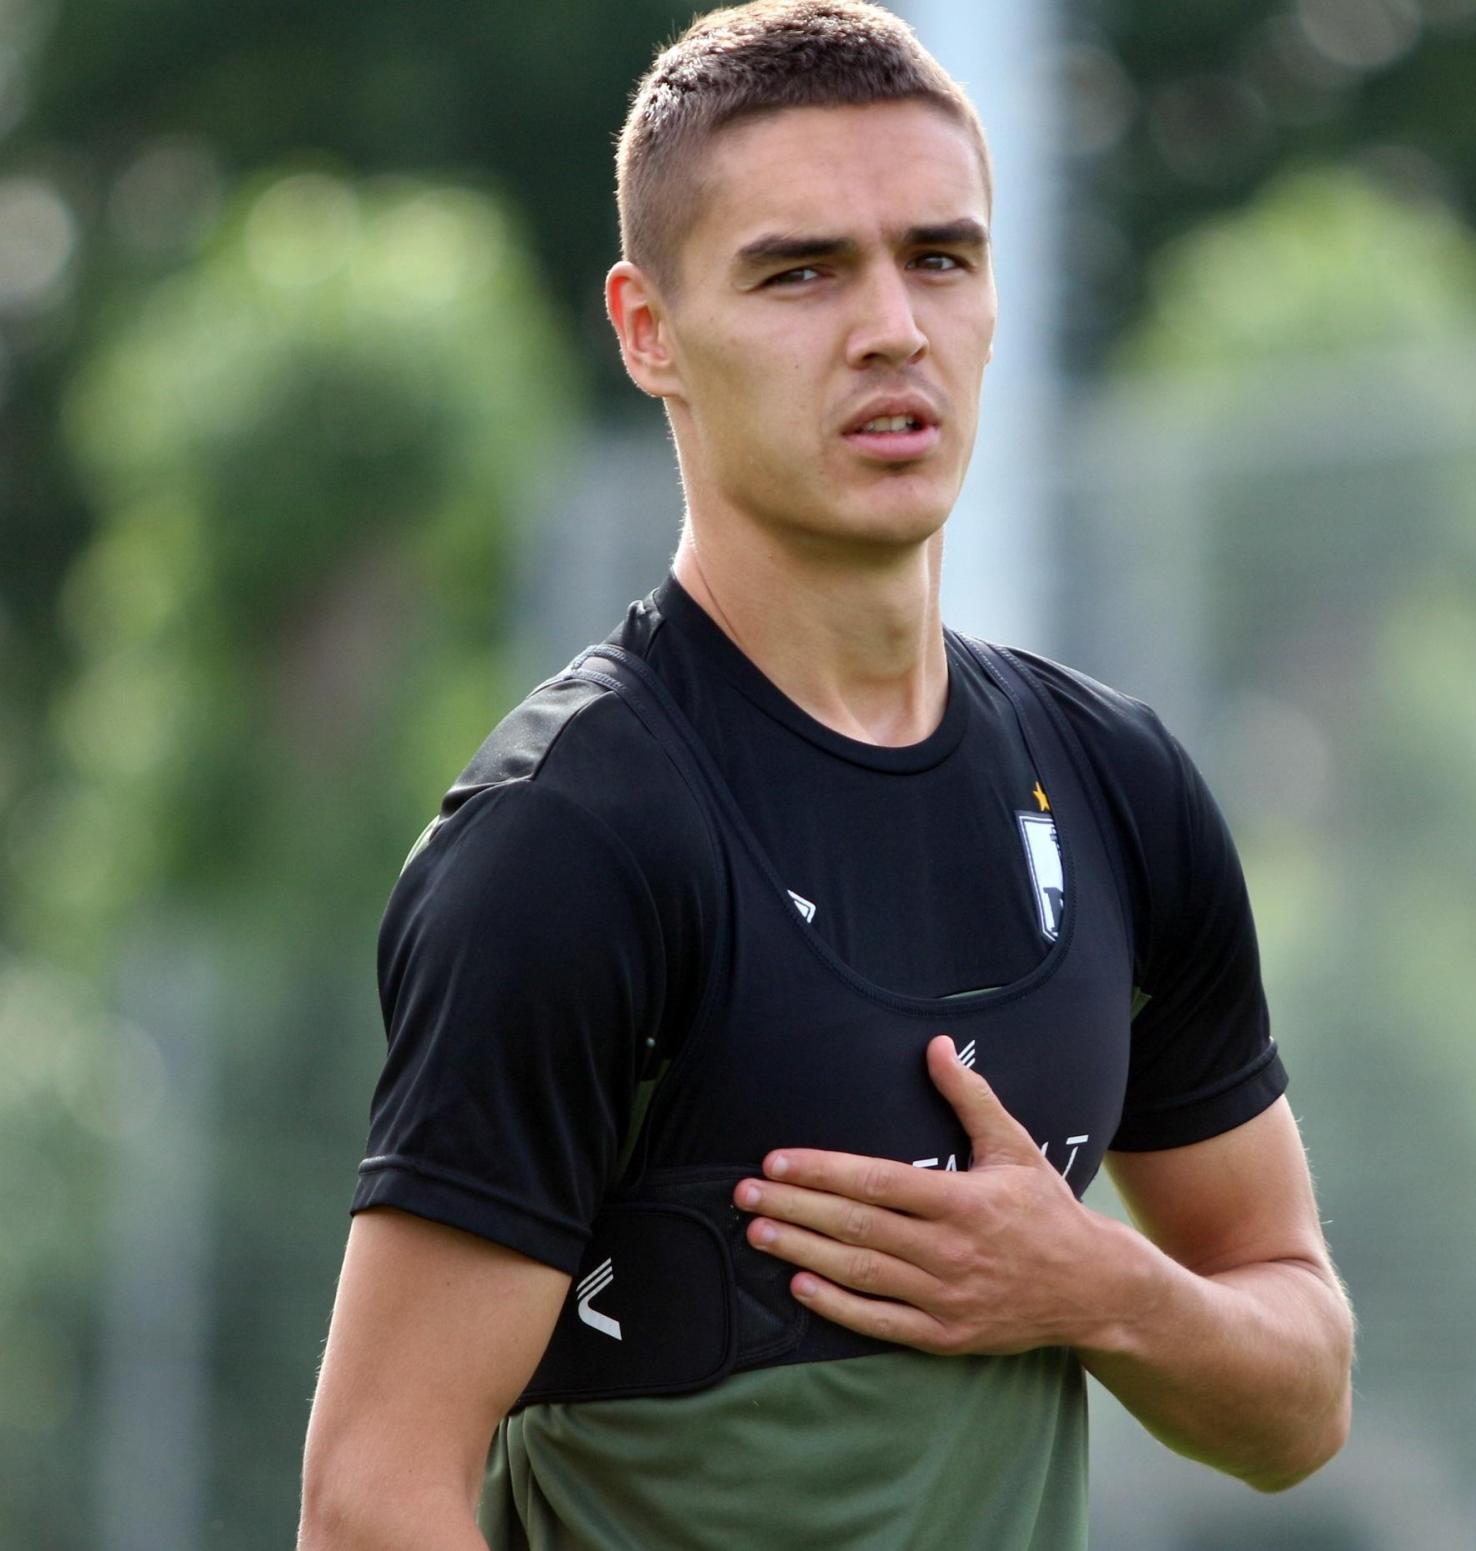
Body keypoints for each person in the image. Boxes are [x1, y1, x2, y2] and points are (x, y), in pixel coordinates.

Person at [297, 3, 1354, 1547]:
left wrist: (1097, 1288)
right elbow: (370, 1497)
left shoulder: (1120, 791)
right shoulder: (569, 840)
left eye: (940, 258)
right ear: (648, 330)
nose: (891, 329)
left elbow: (1298, 1404)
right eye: (800, 272)